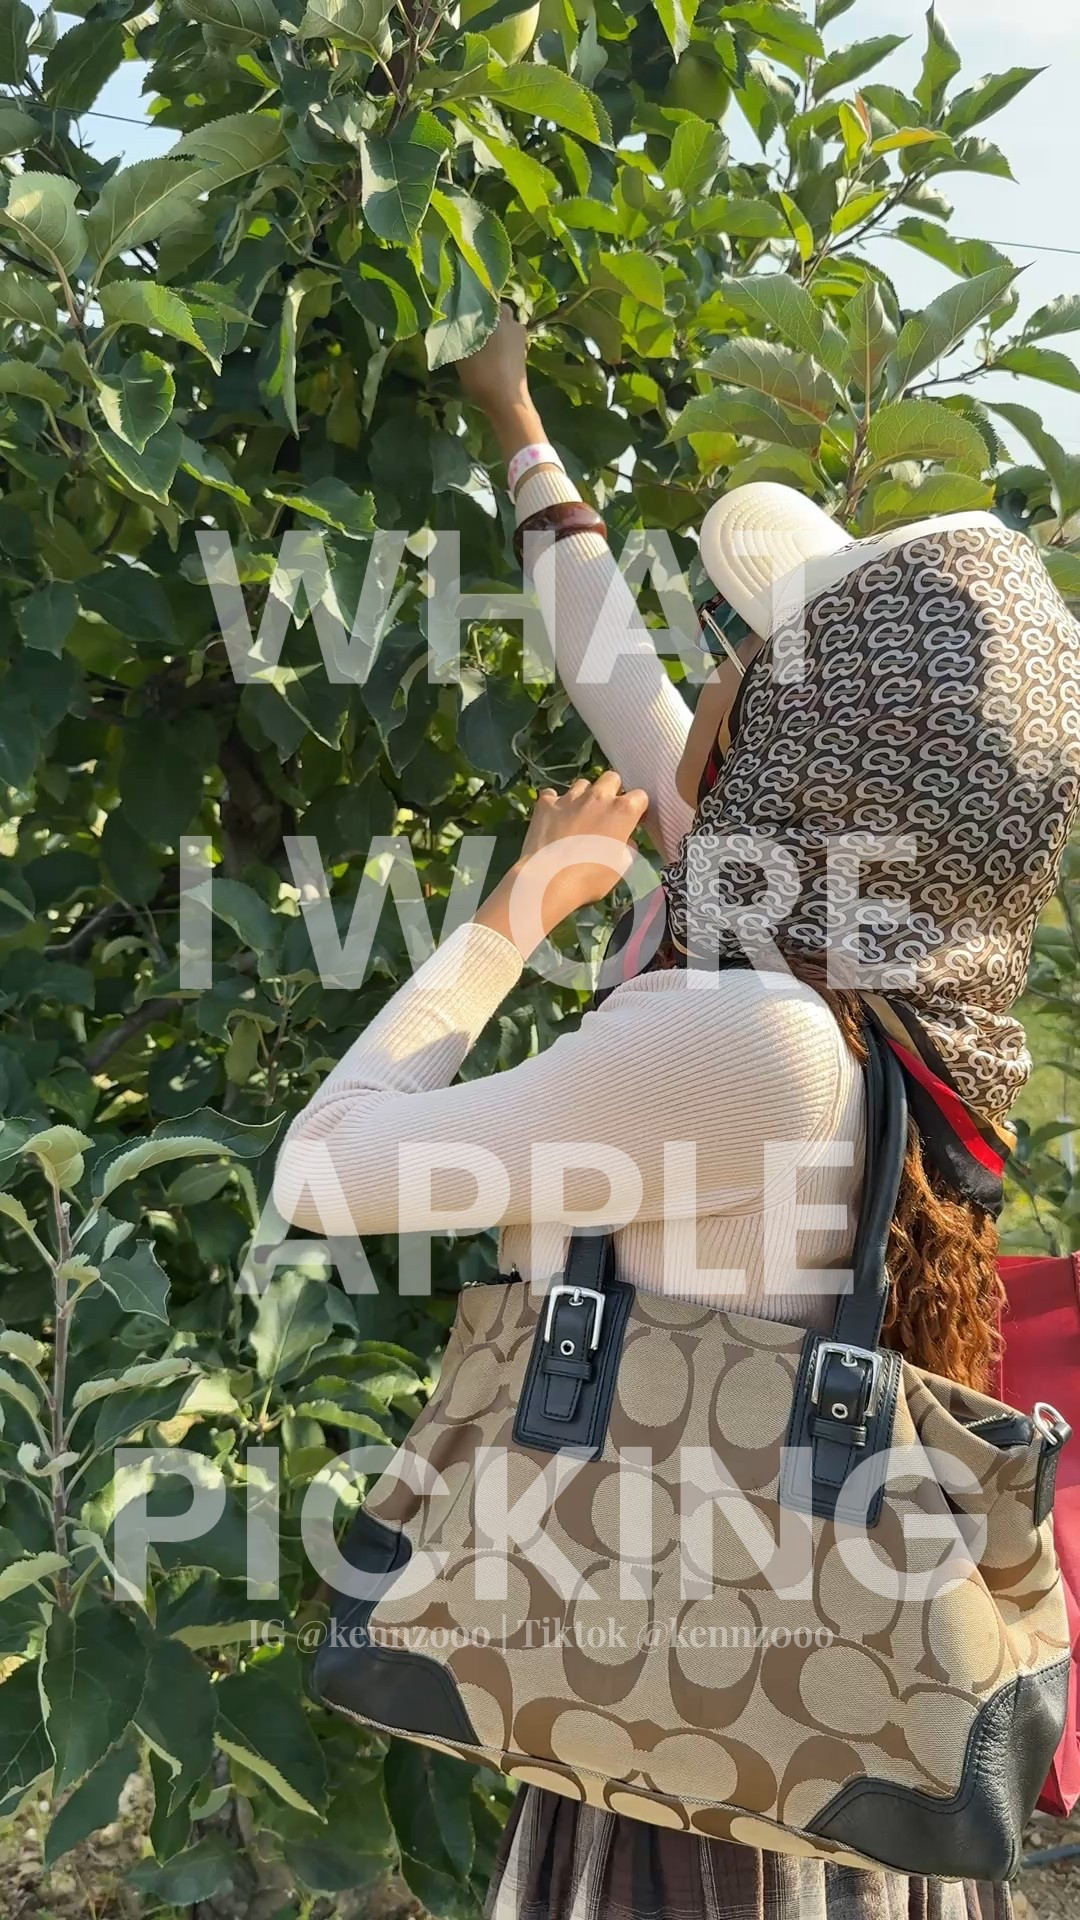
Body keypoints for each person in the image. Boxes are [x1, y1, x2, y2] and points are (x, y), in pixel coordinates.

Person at [275, 308, 1080, 1920]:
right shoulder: (880, 980)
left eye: (751, 663)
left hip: (697, 1752)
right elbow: (614, 674)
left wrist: (508, 918)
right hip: (800, 1709)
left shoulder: (746, 1028)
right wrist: (513, 416)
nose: (710, 677)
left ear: (810, 747)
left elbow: (326, 1173)